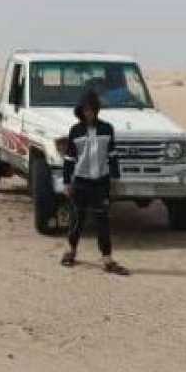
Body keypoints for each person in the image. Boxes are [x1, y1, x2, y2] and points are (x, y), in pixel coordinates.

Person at [61, 90, 129, 275]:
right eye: (84, 110)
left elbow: (113, 155)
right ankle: (70, 251)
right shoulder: (75, 131)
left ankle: (107, 258)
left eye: (90, 109)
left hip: (101, 183)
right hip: (81, 182)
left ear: (96, 110)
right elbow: (68, 159)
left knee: (103, 221)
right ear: (80, 111)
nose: (87, 113)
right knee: (77, 219)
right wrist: (67, 182)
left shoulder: (107, 129)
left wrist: (115, 178)